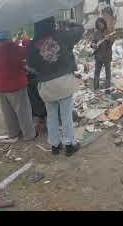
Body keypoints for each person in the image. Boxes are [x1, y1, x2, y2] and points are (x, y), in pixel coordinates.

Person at [27, 17, 84, 156]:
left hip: (46, 85)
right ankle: (69, 145)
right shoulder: (61, 34)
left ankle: (55, 145)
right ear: (52, 22)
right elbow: (80, 30)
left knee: (51, 115)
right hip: (64, 82)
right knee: (66, 116)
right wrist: (70, 23)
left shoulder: (33, 44)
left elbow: (31, 66)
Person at [0, 31, 36, 142]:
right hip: (16, 84)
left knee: (8, 112)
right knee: (23, 111)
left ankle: (13, 133)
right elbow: (26, 51)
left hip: (1, 84)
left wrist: (16, 42)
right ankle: (29, 134)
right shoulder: (9, 47)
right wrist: (25, 40)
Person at [92, 17, 114, 90]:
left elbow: (111, 44)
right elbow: (93, 42)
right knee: (97, 72)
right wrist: (93, 45)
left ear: (104, 24)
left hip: (107, 55)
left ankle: (107, 88)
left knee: (108, 73)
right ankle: (96, 88)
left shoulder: (109, 32)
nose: (100, 26)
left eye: (101, 24)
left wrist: (108, 40)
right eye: (98, 25)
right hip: (98, 56)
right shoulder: (96, 33)